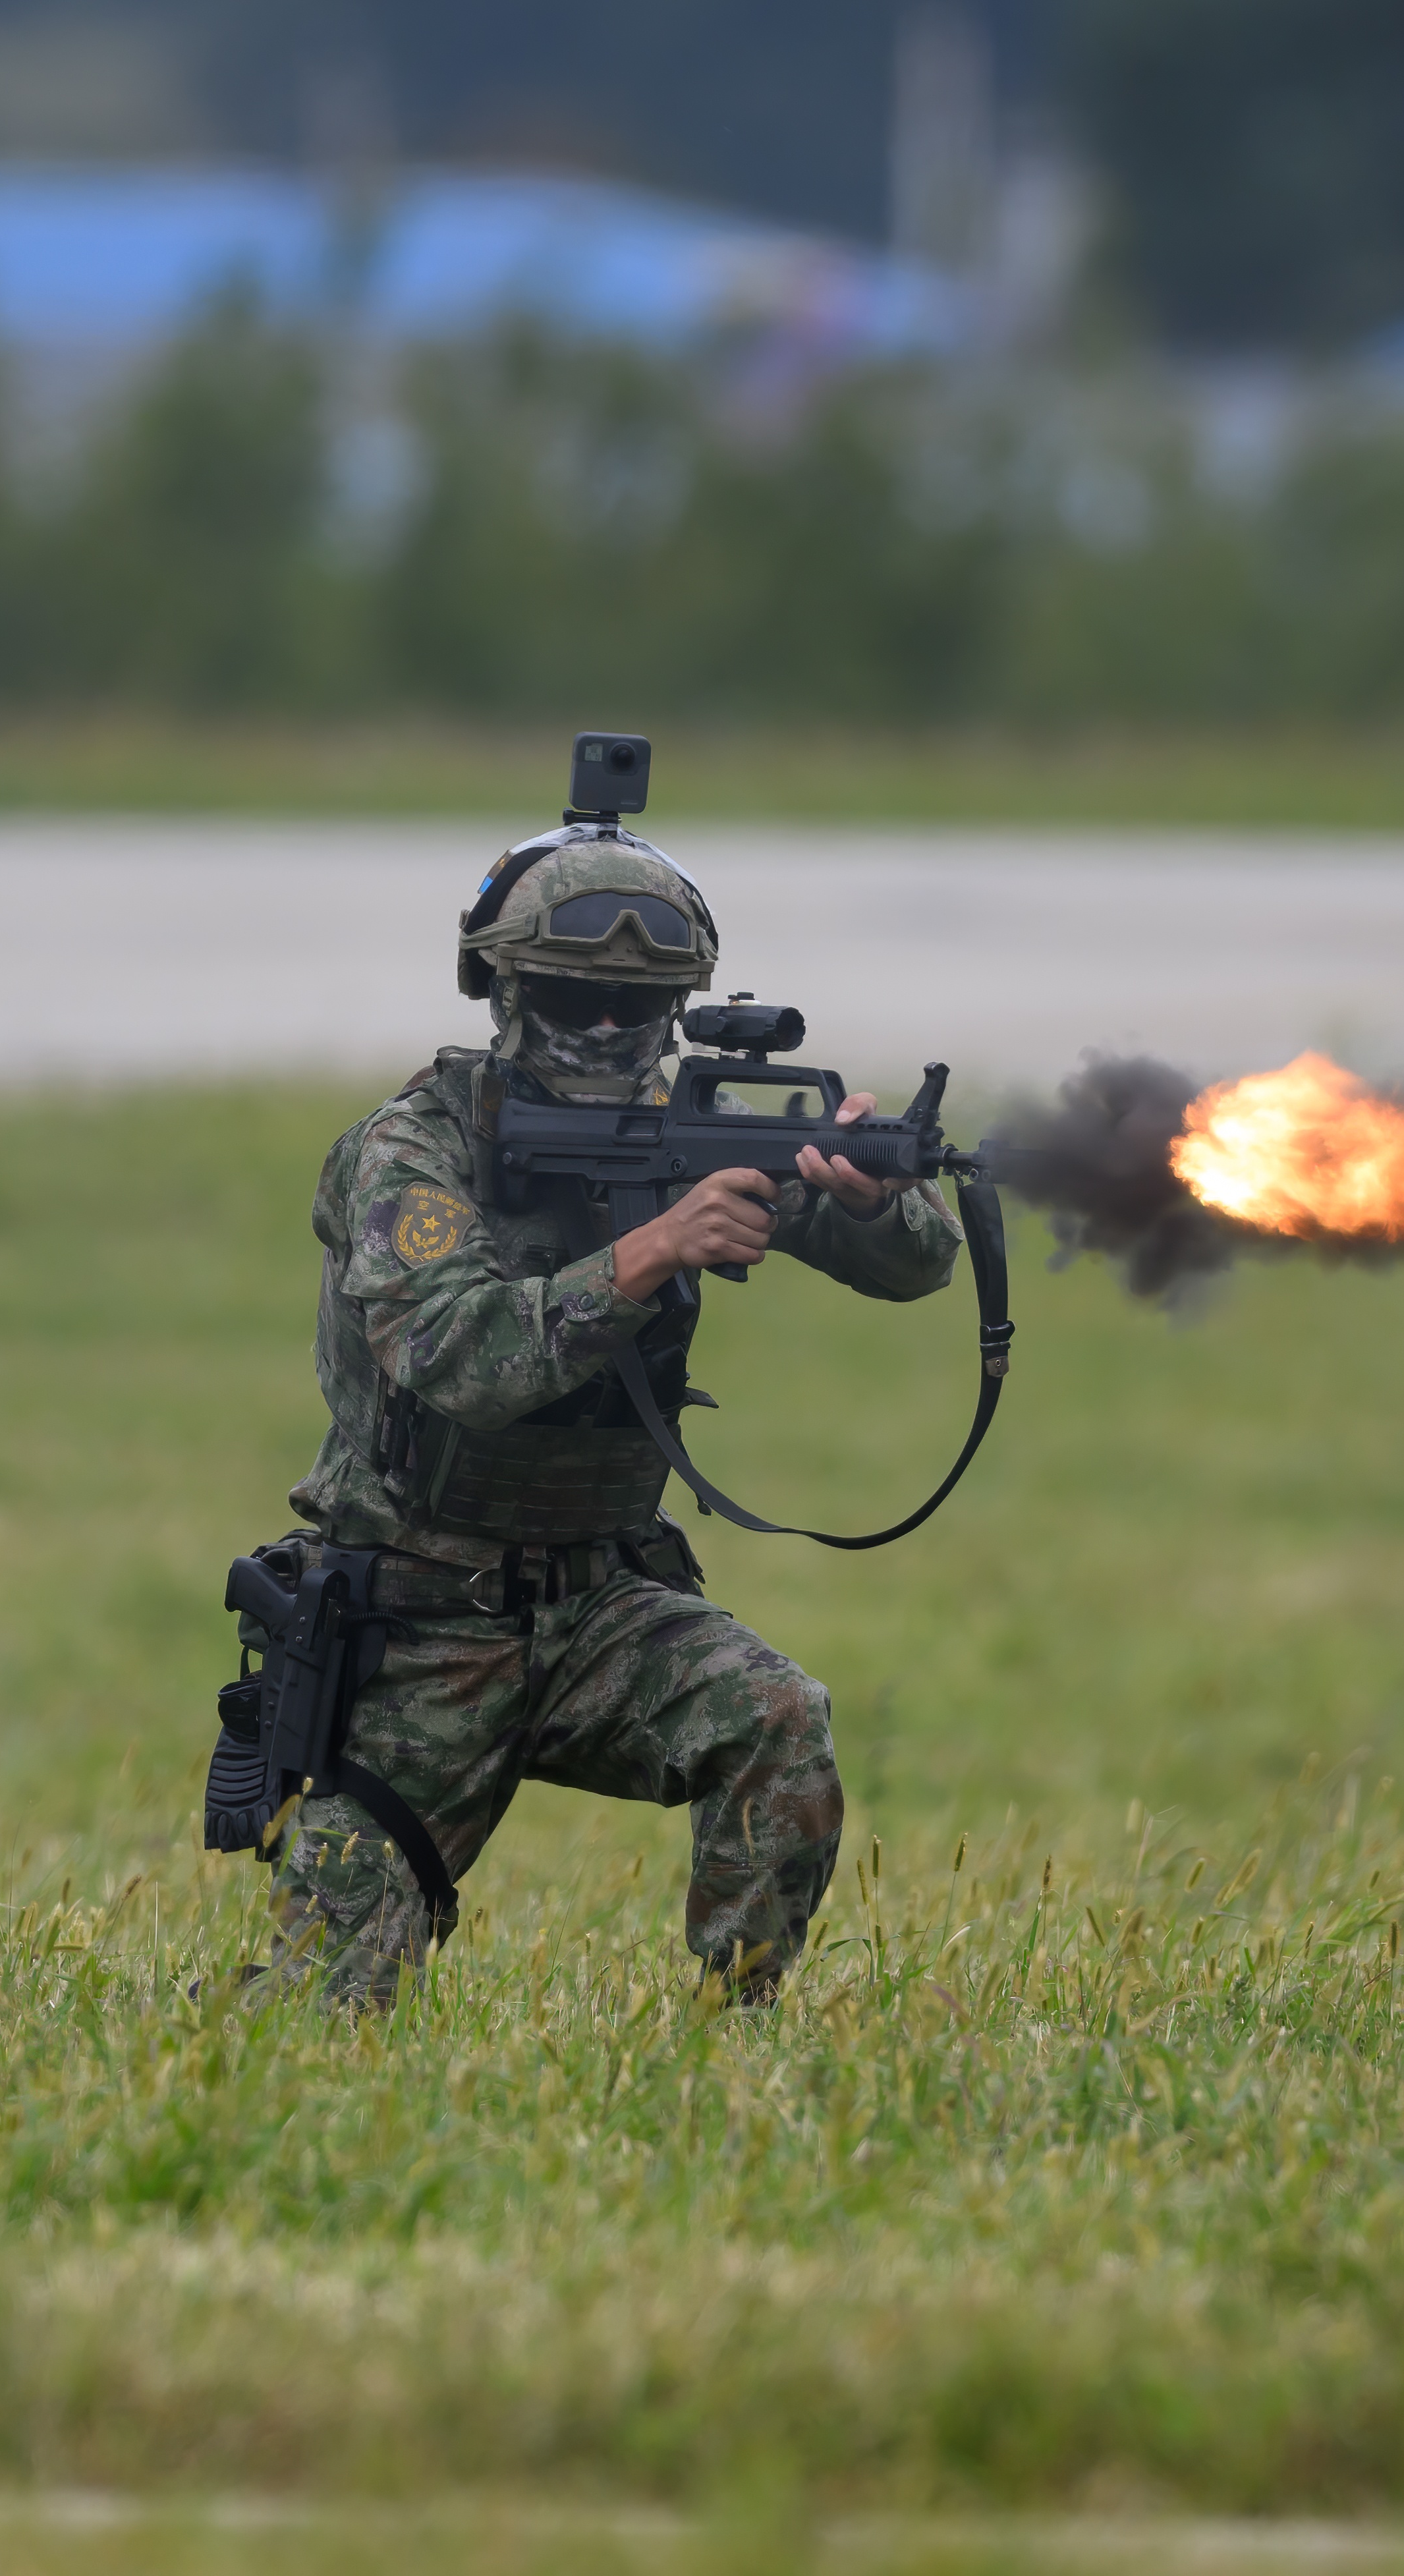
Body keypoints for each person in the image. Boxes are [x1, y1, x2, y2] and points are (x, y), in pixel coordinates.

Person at [250, 820, 959, 2009]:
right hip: (419, 1627)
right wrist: (648, 1255)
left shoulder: (697, 1138)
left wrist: (873, 1201)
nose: (605, 1033)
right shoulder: (413, 1153)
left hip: (604, 1611)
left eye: (637, 1011)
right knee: (323, 2013)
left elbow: (915, 1265)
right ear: (504, 990)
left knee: (779, 1720)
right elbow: (451, 1351)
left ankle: (736, 2035)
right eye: (573, 1001)